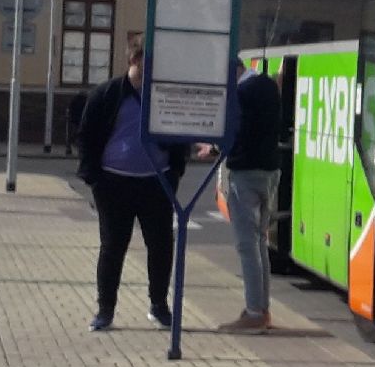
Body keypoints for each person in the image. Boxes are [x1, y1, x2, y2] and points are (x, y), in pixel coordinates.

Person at [76, 42, 188, 332]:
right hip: (113, 183)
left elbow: (180, 133)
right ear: (134, 59)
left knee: (161, 245)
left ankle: (158, 306)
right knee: (113, 246)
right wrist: (94, 179)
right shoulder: (107, 94)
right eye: (148, 60)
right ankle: (105, 310)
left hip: (157, 182)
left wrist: (175, 172)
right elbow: (86, 136)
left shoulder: (162, 95)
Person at [198, 60, 284, 333]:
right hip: (270, 172)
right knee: (260, 242)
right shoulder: (269, 86)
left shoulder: (240, 94)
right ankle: (263, 308)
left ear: (233, 72)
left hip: (244, 173)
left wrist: (212, 147)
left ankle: (254, 312)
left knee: (247, 245)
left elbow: (235, 134)